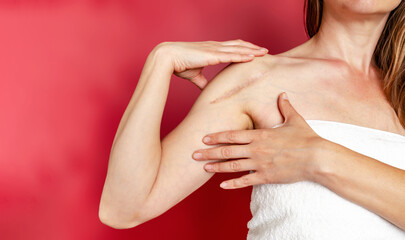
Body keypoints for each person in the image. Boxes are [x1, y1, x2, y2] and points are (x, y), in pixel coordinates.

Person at [99, 0, 405, 238]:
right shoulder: (257, 80)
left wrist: (317, 155)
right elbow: (124, 207)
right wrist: (160, 61)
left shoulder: (400, 96)